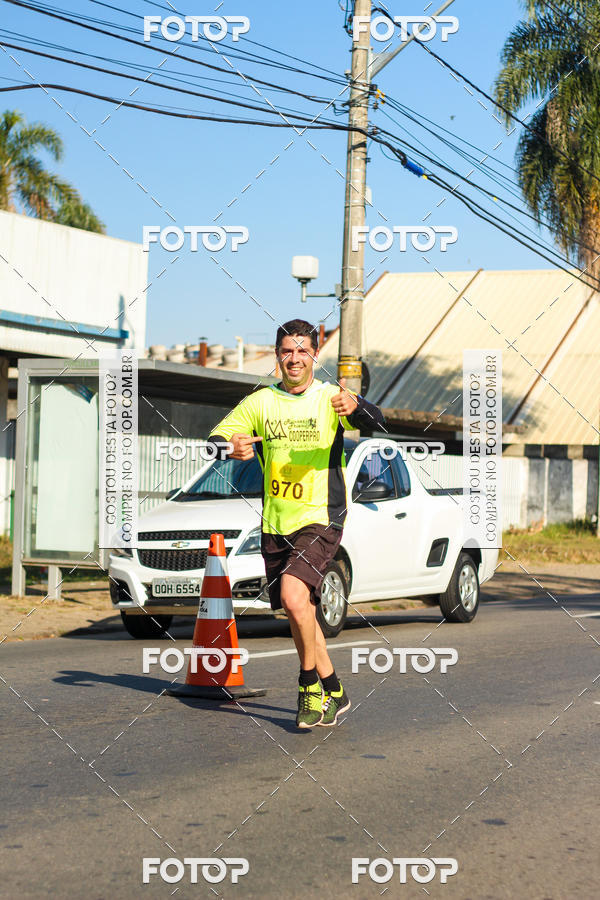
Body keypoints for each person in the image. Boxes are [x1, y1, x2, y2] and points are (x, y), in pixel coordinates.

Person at [206, 319, 386, 728]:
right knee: (299, 609)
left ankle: (308, 686)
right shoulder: (261, 402)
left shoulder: (330, 398)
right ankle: (335, 689)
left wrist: (358, 408)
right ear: (277, 356)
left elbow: (379, 422)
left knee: (291, 597)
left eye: (302, 350)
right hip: (276, 520)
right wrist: (229, 448)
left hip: (321, 516)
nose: (294, 358)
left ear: (314, 356)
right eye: (287, 351)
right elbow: (214, 439)